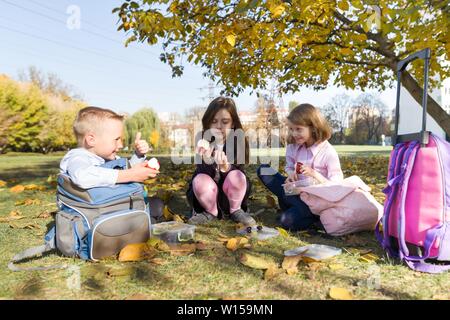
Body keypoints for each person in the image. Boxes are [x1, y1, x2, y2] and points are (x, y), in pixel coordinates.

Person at [59, 106, 163, 221]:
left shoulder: (105, 158)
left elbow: (127, 168)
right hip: (95, 212)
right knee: (150, 214)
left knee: (157, 205)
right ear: (91, 140)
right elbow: (82, 176)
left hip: (111, 205)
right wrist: (130, 175)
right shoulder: (77, 157)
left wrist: (138, 155)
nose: (121, 145)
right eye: (116, 139)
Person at [257, 103, 343, 231]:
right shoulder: (294, 147)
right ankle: (293, 208)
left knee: (285, 220)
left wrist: (315, 174)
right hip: (294, 192)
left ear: (313, 128)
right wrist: (290, 174)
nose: (294, 133)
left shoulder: (328, 152)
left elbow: (337, 185)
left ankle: (311, 217)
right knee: (263, 169)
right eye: (291, 129)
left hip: (314, 201)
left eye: (298, 129)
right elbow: (289, 166)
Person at [186, 97, 256, 226]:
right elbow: (201, 175)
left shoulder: (237, 142)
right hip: (207, 197)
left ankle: (235, 210)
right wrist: (207, 161)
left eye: (225, 122)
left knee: (237, 176)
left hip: (229, 196)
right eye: (214, 121)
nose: (218, 126)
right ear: (208, 123)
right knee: (199, 179)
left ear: (233, 124)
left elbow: (238, 175)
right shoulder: (203, 141)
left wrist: (226, 167)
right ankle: (209, 212)